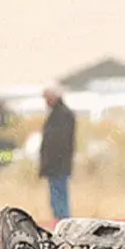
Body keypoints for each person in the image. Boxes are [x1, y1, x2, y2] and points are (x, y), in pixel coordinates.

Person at [38, 86, 76, 221]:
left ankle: (63, 224)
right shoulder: (56, 114)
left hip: (58, 164)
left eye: (47, 98)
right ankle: (59, 221)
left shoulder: (63, 115)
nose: (45, 102)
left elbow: (60, 141)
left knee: (60, 199)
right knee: (55, 198)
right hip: (53, 165)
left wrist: (50, 160)